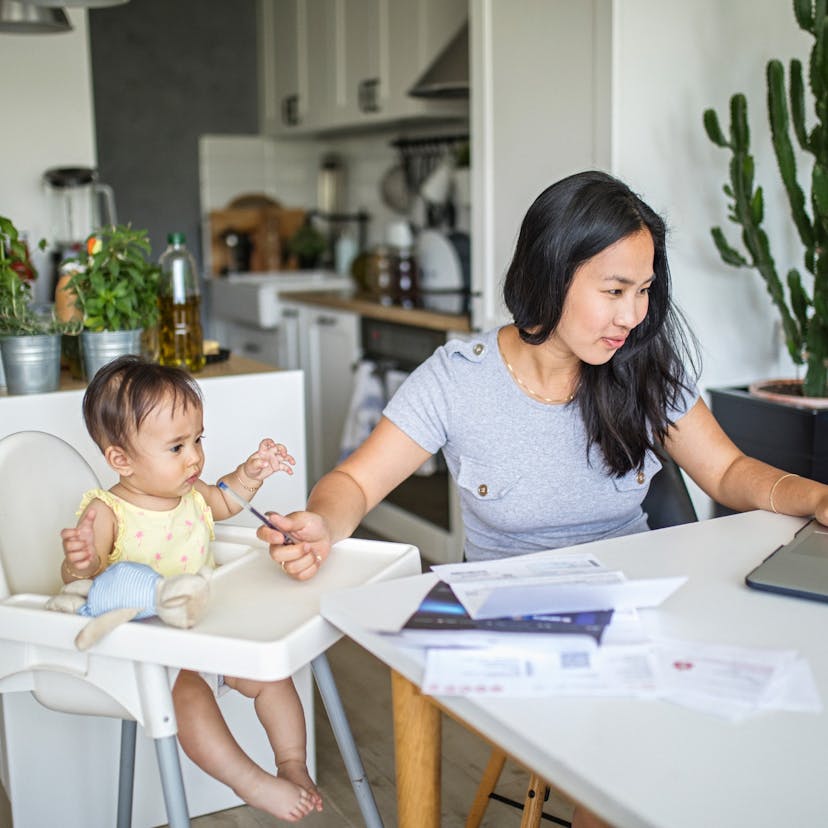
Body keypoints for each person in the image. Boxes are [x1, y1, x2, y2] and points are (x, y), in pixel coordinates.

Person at [256, 170, 828, 827]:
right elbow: (355, 481)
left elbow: (726, 471)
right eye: (613, 290)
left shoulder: (641, 366)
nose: (632, 315)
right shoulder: (458, 379)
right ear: (551, 274)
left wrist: (814, 497)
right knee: (624, 752)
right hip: (512, 627)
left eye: (643, 291)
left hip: (631, 617)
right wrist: (323, 522)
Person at [59, 355, 322, 823]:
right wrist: (79, 560)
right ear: (120, 458)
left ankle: (291, 764)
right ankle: (251, 781)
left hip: (207, 635)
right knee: (189, 696)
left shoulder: (192, 493)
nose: (195, 456)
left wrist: (253, 471)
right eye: (177, 447)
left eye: (198, 439)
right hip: (149, 652)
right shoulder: (107, 512)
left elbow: (226, 499)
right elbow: (88, 578)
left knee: (273, 677)